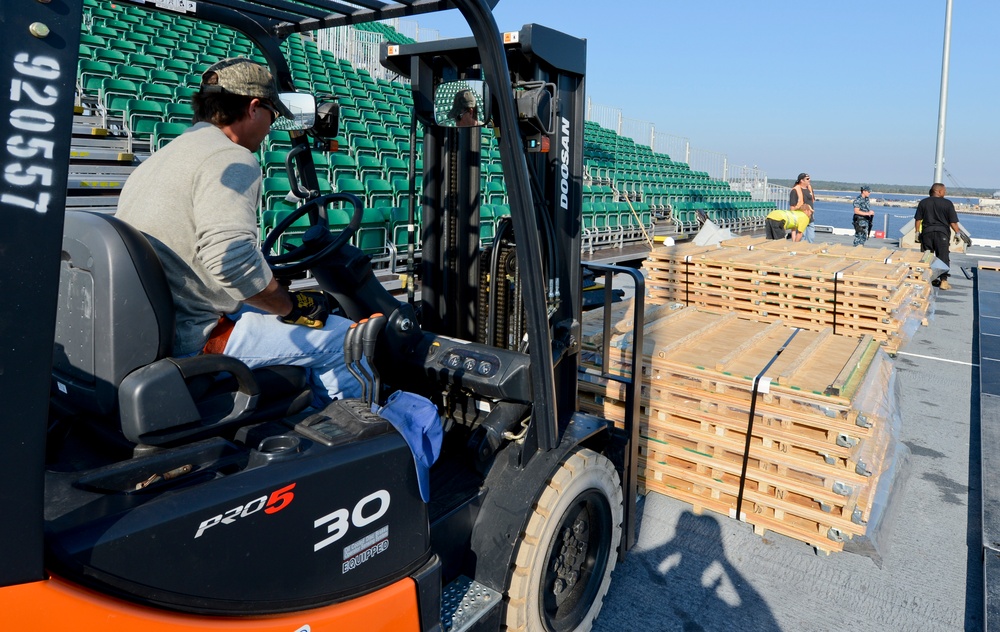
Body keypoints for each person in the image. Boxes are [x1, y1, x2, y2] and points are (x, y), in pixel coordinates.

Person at [116, 57, 361, 406]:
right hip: (195, 335)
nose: (270, 126)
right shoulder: (230, 158)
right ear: (253, 108)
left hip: (161, 322)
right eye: (272, 115)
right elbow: (230, 261)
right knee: (345, 341)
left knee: (297, 325)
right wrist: (289, 305)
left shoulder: (160, 159)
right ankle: (348, 439)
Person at [914, 183, 961, 290]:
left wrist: (917, 232)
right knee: (943, 256)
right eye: (944, 191)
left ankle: (930, 277)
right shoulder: (948, 204)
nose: (945, 193)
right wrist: (957, 233)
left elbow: (918, 219)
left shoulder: (923, 202)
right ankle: (943, 281)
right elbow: (953, 222)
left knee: (927, 256)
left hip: (927, 233)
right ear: (938, 191)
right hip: (942, 234)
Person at [789, 173, 816, 242]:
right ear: (801, 180)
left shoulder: (809, 188)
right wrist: (793, 219)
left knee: (811, 237)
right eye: (807, 179)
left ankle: (809, 249)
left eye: (809, 178)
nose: (809, 180)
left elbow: (812, 201)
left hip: (810, 217)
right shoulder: (795, 190)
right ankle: (799, 249)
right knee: (801, 236)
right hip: (800, 218)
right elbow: (792, 206)